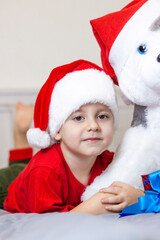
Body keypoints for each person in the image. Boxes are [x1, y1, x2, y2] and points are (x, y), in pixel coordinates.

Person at [4, 59, 144, 214]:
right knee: (15, 171)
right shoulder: (44, 172)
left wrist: (138, 196)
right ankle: (20, 133)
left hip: (30, 176)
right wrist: (93, 207)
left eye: (102, 116)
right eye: (78, 118)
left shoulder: (110, 163)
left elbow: (148, 184)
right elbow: (47, 225)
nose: (93, 126)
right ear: (57, 131)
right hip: (9, 189)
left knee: (23, 169)